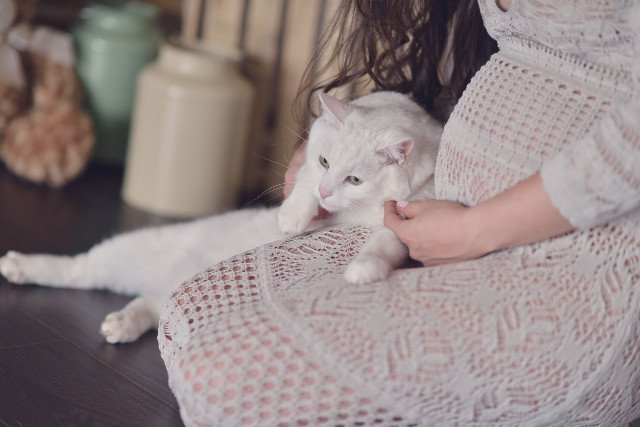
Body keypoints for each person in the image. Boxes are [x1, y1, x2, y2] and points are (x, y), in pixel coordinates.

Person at [159, 1, 640, 425]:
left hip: (575, 258)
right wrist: (341, 144)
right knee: (185, 319)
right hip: (438, 228)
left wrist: (476, 229)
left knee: (216, 380)